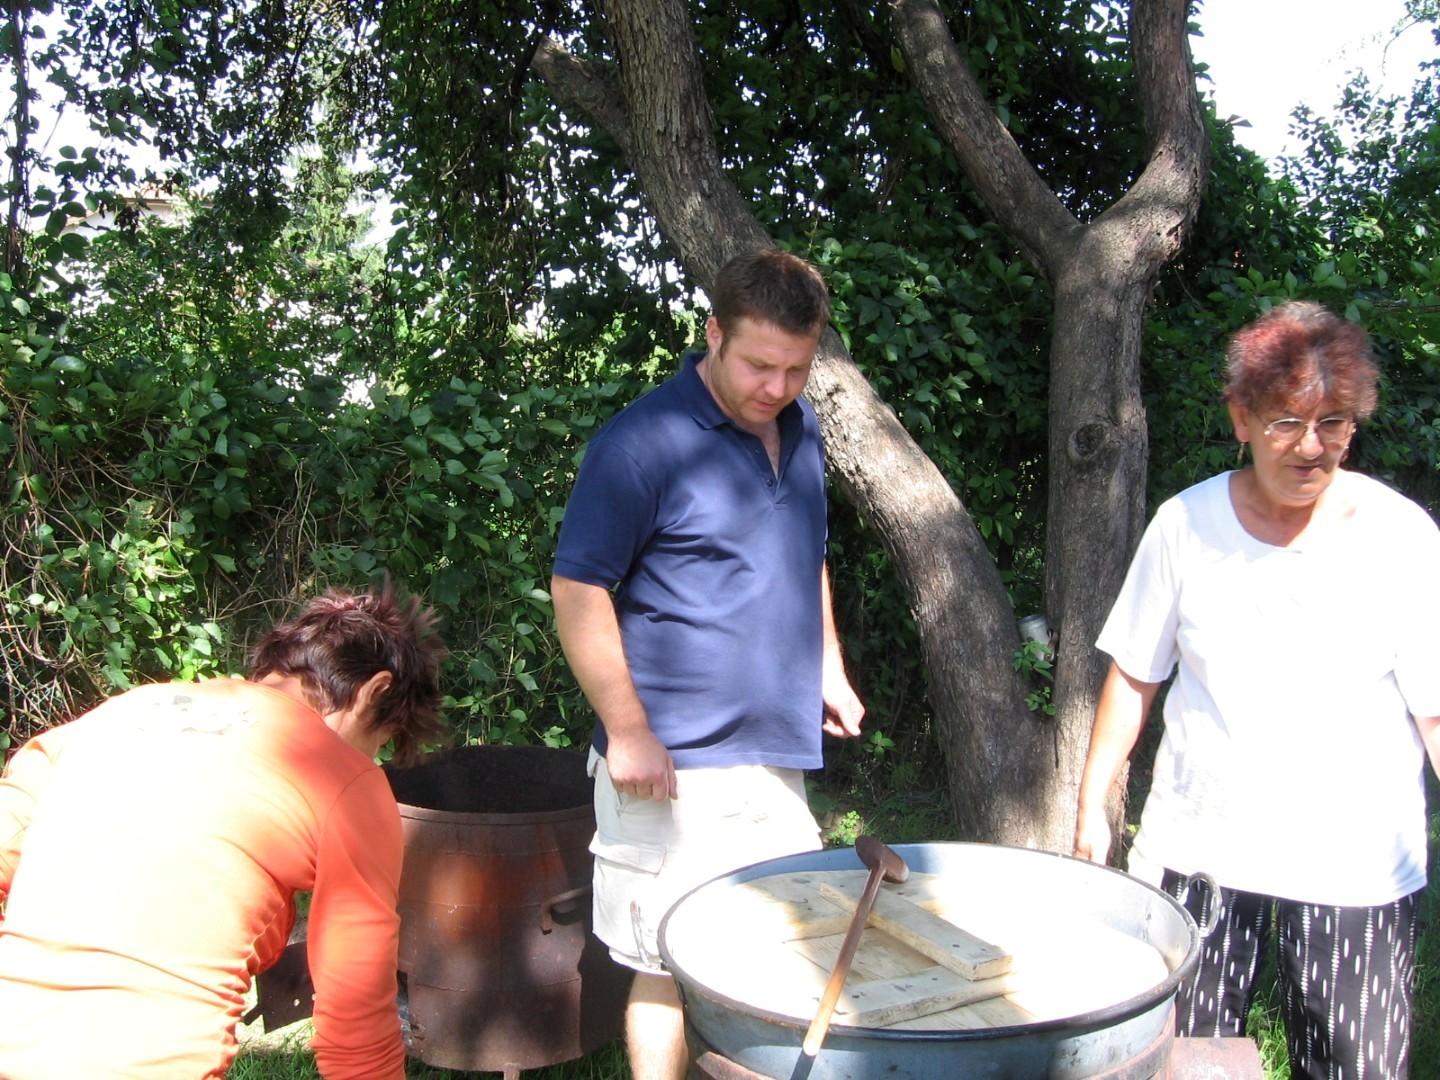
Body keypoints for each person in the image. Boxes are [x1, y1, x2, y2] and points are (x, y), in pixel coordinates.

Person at [1073, 301, 1440, 1079]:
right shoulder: (1185, 525)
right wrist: (1091, 807)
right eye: (1286, 424)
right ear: (1240, 418)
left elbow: (1433, 707)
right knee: (1178, 1060)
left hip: (1356, 861)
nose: (1312, 447)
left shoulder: (1403, 536)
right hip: (1200, 848)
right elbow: (1134, 675)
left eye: (1333, 423)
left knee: (1357, 1066)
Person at [550, 248, 865, 1080]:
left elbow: (806, 553)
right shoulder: (641, 442)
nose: (777, 387)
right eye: (760, 365)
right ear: (714, 333)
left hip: (772, 751)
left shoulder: (800, 431)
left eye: (796, 369)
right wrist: (628, 730)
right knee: (665, 963)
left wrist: (827, 665)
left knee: (777, 947)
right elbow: (578, 588)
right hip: (672, 761)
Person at [0, 580, 447, 1079]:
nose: (371, 757)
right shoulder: (346, 778)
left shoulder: (117, 714)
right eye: (381, 739)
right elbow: (355, 1018)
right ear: (373, 692)